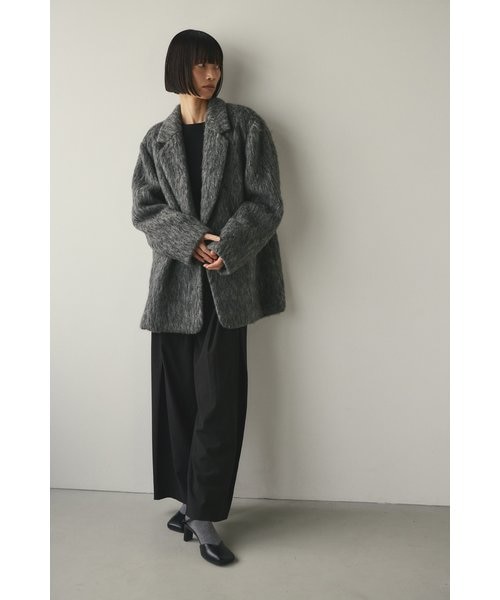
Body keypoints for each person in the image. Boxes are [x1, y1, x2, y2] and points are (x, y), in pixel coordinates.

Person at [131, 29, 286, 566]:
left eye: (215, 65)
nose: (211, 75)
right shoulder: (156, 139)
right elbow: (144, 209)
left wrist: (228, 246)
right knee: (176, 403)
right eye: (200, 66)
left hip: (228, 287)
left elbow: (267, 202)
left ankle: (203, 512)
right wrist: (190, 240)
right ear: (179, 69)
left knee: (219, 402)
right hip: (174, 288)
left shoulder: (244, 126)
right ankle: (187, 502)